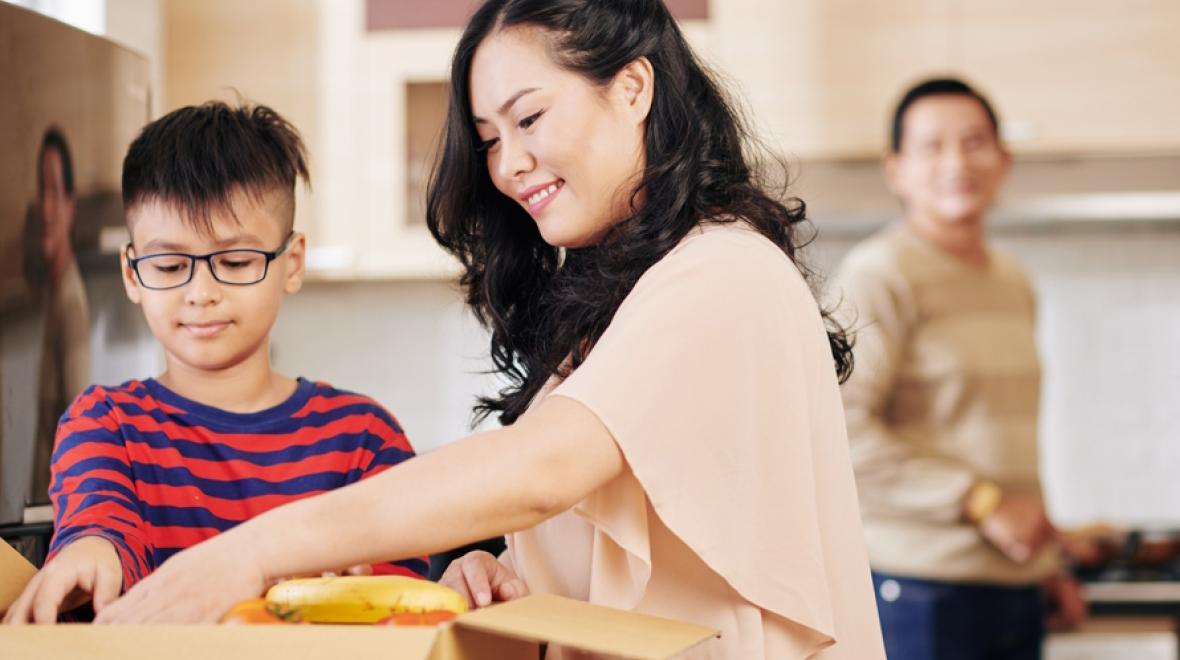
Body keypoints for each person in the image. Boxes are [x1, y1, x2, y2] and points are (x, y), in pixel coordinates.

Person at [95, 2, 886, 657]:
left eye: (529, 117)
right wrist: (496, 565)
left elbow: (540, 469)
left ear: (634, 86)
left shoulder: (722, 271)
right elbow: (619, 546)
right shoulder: (632, 301)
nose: (507, 165)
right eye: (490, 139)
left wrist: (248, 552)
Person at [3, 102, 426, 624]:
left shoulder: (362, 437)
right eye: (170, 264)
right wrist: (91, 551)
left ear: (290, 263)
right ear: (133, 275)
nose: (201, 293)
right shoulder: (105, 423)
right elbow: (102, 527)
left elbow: (399, 606)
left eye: (235, 262)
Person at [834, 78, 1087, 660]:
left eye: (975, 142)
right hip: (919, 594)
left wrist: (1045, 568)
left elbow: (999, 438)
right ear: (896, 169)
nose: (957, 162)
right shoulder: (879, 275)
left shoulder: (1012, 279)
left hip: (1013, 590)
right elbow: (839, 430)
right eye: (932, 146)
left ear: (1004, 160)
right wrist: (981, 503)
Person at [30, 127, 91, 506]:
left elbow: (78, 428)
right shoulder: (53, 295)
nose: (47, 207)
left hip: (55, 519)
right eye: (42, 190)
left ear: (70, 206)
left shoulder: (71, 306)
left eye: (56, 191)